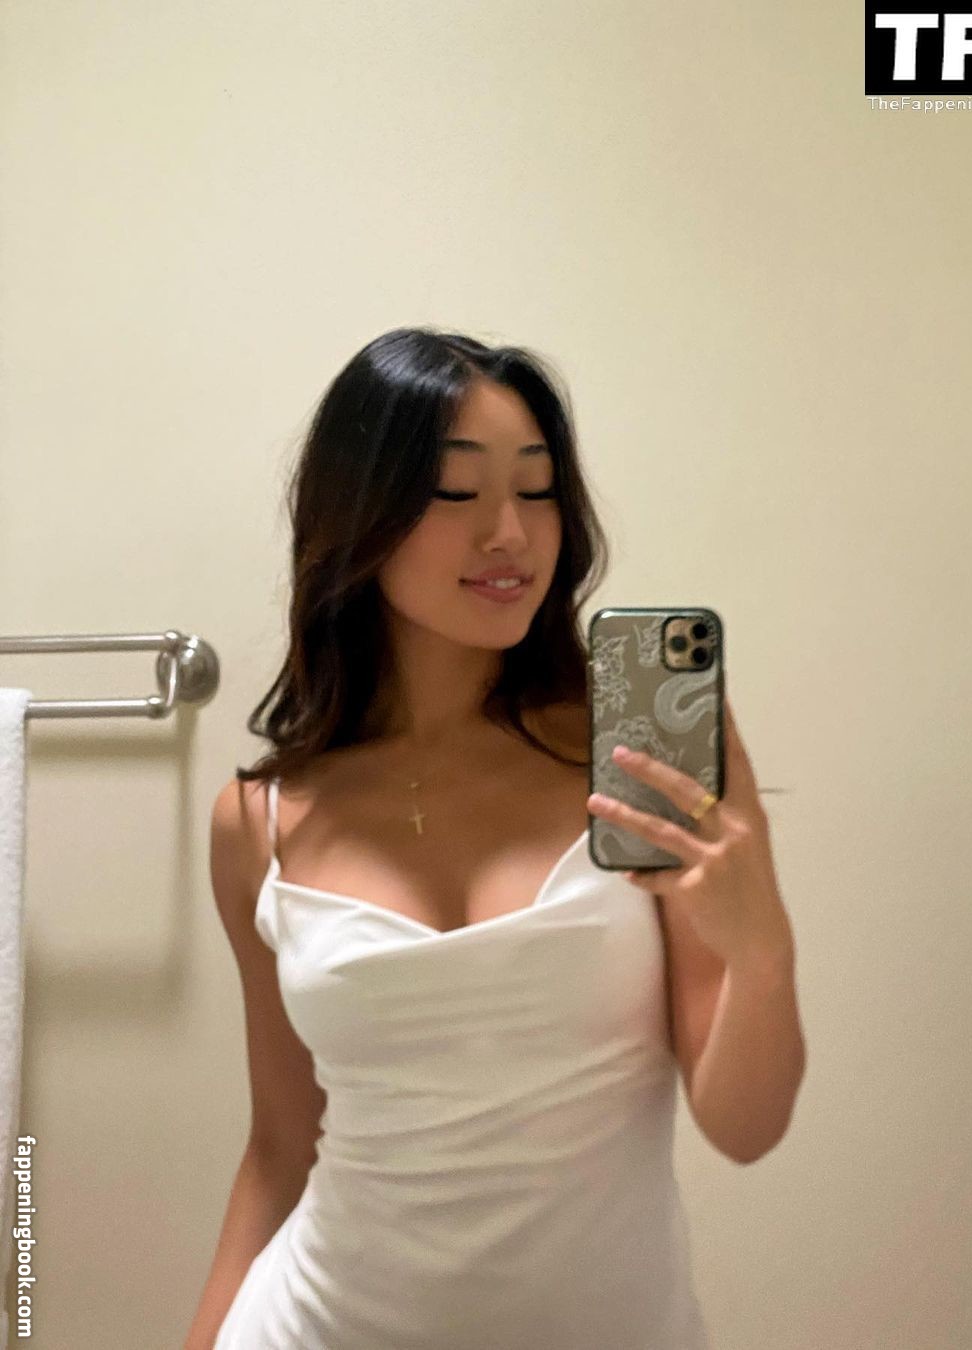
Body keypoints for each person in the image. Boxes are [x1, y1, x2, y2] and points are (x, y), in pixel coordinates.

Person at [185, 327, 747, 1349]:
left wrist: (767, 944)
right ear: (360, 516)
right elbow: (279, 1149)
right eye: (456, 492)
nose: (510, 533)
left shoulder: (639, 757)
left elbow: (746, 1124)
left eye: (537, 490)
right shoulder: (258, 822)